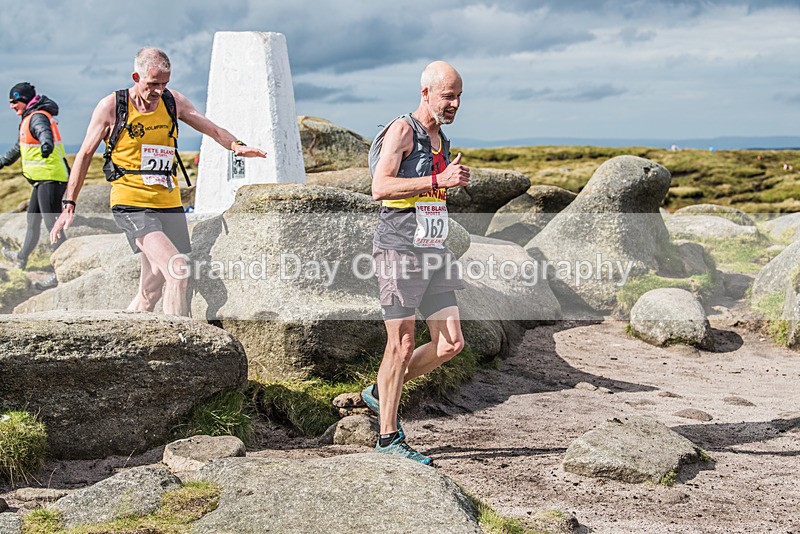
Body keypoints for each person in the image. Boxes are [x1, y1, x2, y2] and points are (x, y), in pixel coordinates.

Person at [50, 47, 266, 315]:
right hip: (131, 201)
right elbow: (83, 155)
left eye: (165, 83)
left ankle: (128, 329)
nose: (159, 90)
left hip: (168, 200)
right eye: (153, 84)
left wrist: (236, 145)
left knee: (150, 291)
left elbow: (211, 128)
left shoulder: (173, 101)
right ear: (136, 76)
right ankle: (180, 346)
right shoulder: (112, 107)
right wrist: (69, 203)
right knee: (178, 270)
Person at [363, 61, 470, 465]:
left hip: (433, 247)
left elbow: (431, 193)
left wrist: (450, 183)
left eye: (458, 96)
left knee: (451, 343)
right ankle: (388, 438)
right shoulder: (402, 129)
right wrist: (437, 182)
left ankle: (379, 391)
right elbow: (380, 187)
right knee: (402, 344)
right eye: (448, 96)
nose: (455, 103)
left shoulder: (441, 138)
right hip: (399, 247)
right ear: (425, 93)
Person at [0, 82, 69, 290]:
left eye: (14, 101)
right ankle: (21, 259)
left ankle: (62, 272)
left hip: (51, 178)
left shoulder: (37, 116)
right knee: (32, 220)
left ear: (25, 100)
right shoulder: (28, 117)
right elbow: (19, 147)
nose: (12, 106)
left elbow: (43, 133)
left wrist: (46, 144)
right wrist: (2, 161)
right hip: (42, 181)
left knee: (52, 224)